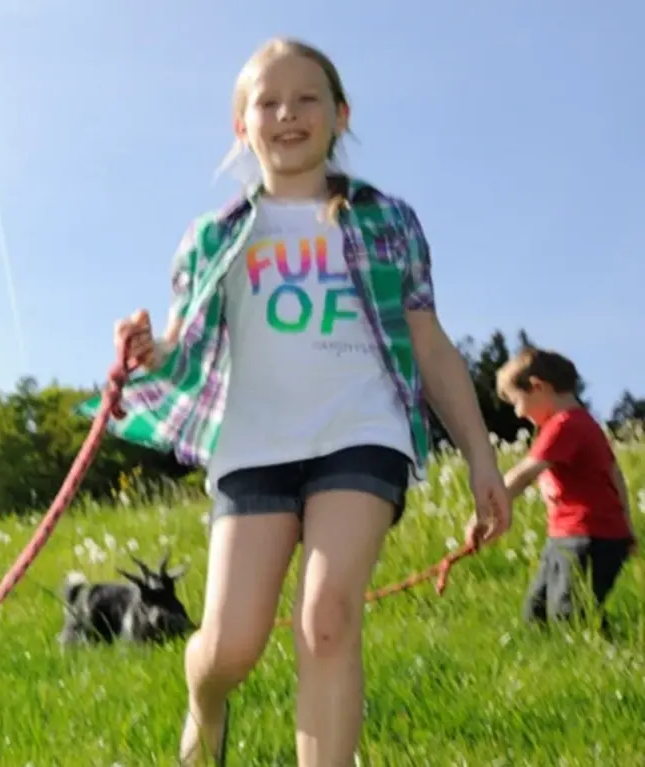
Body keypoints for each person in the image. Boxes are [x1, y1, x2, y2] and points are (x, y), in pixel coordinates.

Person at [77, 37, 511, 766]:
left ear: (340, 114)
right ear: (241, 127)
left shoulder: (388, 220)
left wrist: (480, 456)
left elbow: (430, 346)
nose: (287, 113)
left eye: (307, 97)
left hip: (362, 431)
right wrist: (149, 348)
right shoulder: (213, 236)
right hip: (253, 445)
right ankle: (205, 703)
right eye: (266, 101)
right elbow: (185, 347)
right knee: (231, 646)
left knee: (328, 616)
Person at [496, 346, 636, 630]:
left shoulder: (566, 425)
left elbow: (525, 473)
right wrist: (628, 525)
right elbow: (614, 475)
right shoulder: (580, 424)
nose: (518, 413)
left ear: (538, 387)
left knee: (569, 614)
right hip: (568, 536)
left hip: (589, 536)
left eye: (516, 402)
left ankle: (608, 654)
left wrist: (488, 508)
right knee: (536, 614)